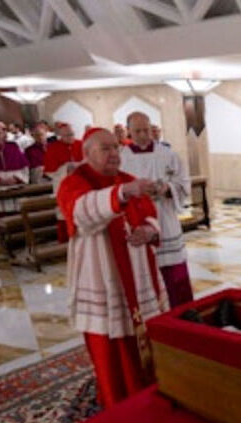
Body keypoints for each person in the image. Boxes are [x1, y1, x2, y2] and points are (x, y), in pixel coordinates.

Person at [57, 128, 168, 408]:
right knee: (110, 340)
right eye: (105, 149)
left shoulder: (127, 180)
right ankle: (117, 398)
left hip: (137, 272)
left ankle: (149, 388)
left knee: (144, 335)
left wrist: (148, 230)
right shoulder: (74, 182)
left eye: (116, 148)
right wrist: (120, 194)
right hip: (102, 273)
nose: (114, 154)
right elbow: (81, 213)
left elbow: (150, 215)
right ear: (87, 154)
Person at [121, 111, 193, 307]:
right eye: (138, 131)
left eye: (146, 130)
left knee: (174, 269)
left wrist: (166, 188)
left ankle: (183, 312)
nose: (144, 135)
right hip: (138, 220)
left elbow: (184, 183)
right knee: (145, 271)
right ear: (129, 131)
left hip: (165, 217)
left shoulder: (167, 154)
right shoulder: (121, 158)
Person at [44, 123, 83, 242]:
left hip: (81, 185)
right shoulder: (53, 148)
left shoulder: (81, 145)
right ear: (60, 135)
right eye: (66, 135)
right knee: (63, 213)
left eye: (71, 134)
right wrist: (65, 169)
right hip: (62, 186)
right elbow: (49, 171)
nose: (70, 137)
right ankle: (64, 242)